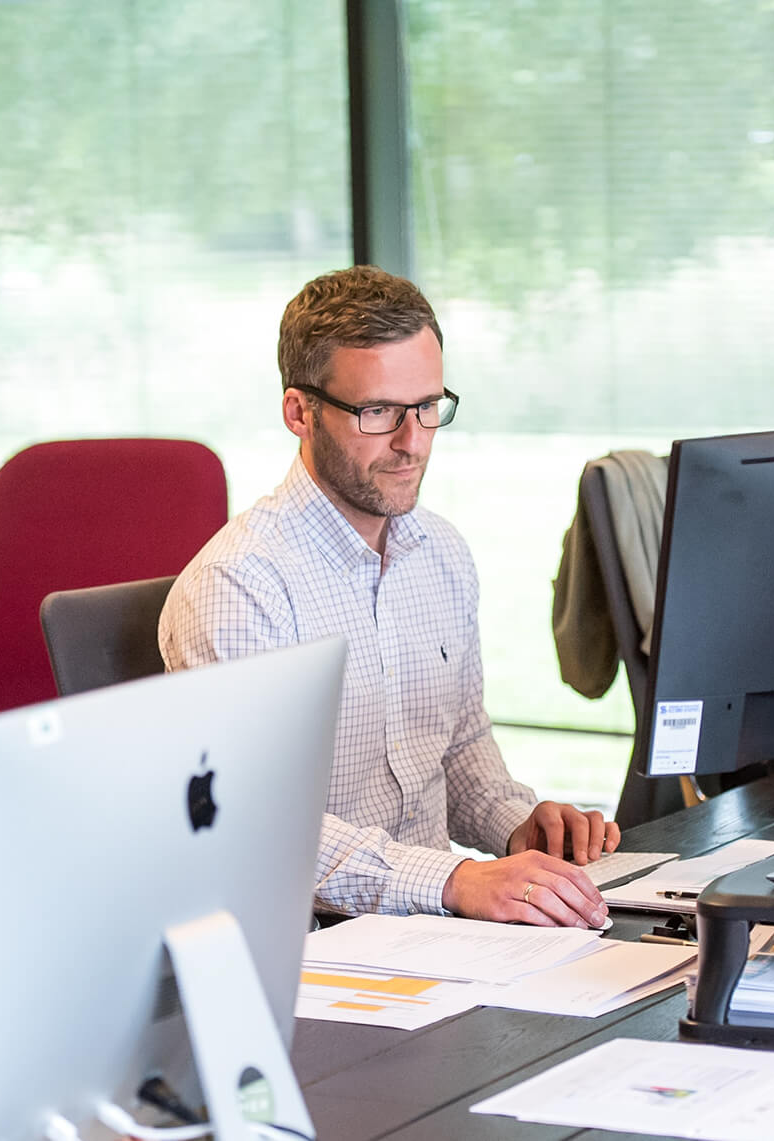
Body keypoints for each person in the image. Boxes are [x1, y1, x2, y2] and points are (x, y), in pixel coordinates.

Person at [159, 265, 619, 928]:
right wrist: (455, 879)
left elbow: (458, 748)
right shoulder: (239, 587)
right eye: (378, 412)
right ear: (300, 412)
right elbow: (260, 825)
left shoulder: (441, 553)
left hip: (436, 931)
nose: (413, 442)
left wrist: (521, 827)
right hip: (316, 945)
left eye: (428, 407)